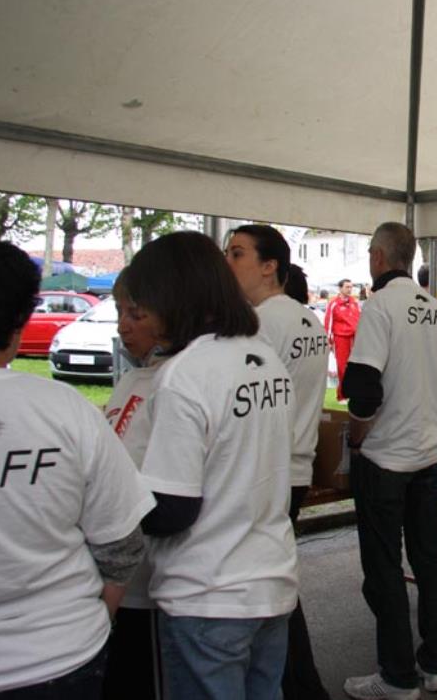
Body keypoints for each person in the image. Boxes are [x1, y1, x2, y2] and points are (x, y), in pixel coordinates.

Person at [0, 237, 154, 699]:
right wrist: (95, 620)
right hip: (62, 655)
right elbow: (122, 544)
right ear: (20, 319)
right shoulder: (65, 409)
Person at [127, 231, 298, 699]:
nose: (143, 317)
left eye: (145, 304)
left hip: (208, 593)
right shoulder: (265, 359)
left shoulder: (184, 374)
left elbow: (173, 509)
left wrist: (113, 491)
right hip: (270, 581)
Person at [341, 222, 437, 700]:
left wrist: (357, 439)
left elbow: (363, 391)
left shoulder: (380, 307)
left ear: (378, 257)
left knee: (384, 569)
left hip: (384, 459)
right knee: (429, 561)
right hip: (427, 457)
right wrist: (436, 419)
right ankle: (434, 665)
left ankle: (397, 675)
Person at [225, 225, 332, 700]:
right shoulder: (307, 318)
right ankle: (299, 685)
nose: (228, 263)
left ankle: (298, 685)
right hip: (295, 466)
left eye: (237, 254)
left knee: (269, 591)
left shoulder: (261, 323)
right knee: (276, 584)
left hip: (270, 472)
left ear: (269, 266)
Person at [102, 270, 172, 700]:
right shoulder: (131, 379)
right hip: (114, 580)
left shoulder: (175, 384)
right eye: (119, 312)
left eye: (136, 314)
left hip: (149, 584)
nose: (123, 325)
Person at [325, 277, 361, 400]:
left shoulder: (354, 303)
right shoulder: (334, 304)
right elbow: (328, 322)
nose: (350, 289)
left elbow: (360, 319)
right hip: (340, 338)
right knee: (342, 367)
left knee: (355, 366)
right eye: (347, 287)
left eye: (351, 287)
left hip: (354, 338)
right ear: (340, 288)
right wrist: (328, 341)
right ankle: (342, 395)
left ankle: (354, 392)